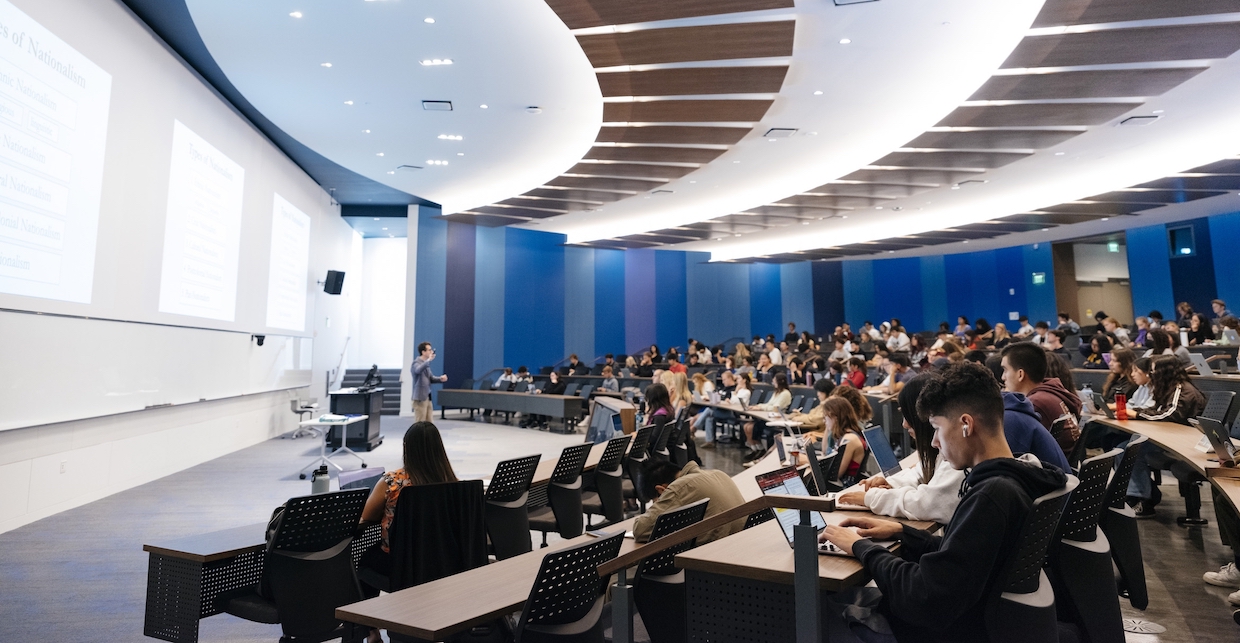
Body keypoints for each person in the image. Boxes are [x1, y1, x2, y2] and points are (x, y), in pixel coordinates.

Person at [819, 361, 1068, 643]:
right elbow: (967, 559)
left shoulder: (991, 495)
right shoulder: (1020, 477)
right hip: (980, 621)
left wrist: (859, 547)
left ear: (965, 424)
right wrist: (903, 533)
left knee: (823, 611)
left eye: (937, 427)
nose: (935, 441)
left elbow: (927, 597)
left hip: (945, 630)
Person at [836, 375, 965, 525]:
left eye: (907, 415)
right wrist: (891, 483)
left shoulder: (959, 458)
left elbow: (927, 503)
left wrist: (872, 498)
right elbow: (921, 472)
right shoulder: (944, 452)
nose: (904, 424)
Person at [359, 422, 458, 592]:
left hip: (399, 564)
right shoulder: (452, 484)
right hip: (442, 562)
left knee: (364, 561)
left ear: (407, 448)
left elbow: (366, 516)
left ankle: (363, 616)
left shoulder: (392, 482)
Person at [634, 460, 746, 544]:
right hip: (742, 546)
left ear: (661, 490)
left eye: (657, 502)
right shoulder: (718, 474)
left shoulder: (680, 487)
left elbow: (641, 531)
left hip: (720, 557)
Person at [1000, 342, 1081, 456]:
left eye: (1005, 370)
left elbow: (1014, 452)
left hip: (1050, 470)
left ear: (1020, 374)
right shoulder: (1048, 394)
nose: (1003, 377)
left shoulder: (1035, 403)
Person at [743, 373, 792, 463]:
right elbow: (769, 404)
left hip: (777, 418)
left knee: (751, 427)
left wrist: (761, 408)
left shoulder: (785, 393)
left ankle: (761, 450)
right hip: (769, 415)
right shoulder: (776, 392)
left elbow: (776, 407)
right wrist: (758, 406)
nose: (773, 382)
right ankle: (756, 449)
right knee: (746, 426)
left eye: (774, 380)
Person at [819, 397, 867, 487]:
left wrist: (809, 463)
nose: (824, 421)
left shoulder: (849, 439)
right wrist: (828, 426)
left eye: (825, 417)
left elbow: (835, 474)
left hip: (846, 486)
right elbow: (825, 451)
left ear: (835, 417)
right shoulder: (844, 435)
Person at [410, 342, 448, 422]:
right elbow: (418, 370)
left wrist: (440, 379)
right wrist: (428, 360)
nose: (431, 352)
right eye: (429, 350)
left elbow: (431, 378)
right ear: (423, 352)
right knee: (420, 422)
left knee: (429, 422)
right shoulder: (416, 363)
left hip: (427, 397)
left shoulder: (426, 365)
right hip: (420, 398)